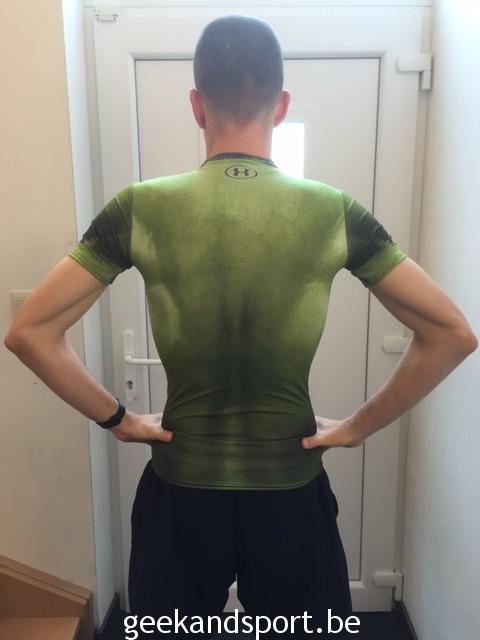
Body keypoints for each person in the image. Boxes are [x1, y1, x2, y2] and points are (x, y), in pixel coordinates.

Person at [4, 13, 477, 640]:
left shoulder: (139, 207)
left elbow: (29, 331)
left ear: (197, 105)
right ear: (280, 105)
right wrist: (358, 427)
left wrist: (119, 420)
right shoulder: (334, 211)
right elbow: (452, 334)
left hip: (180, 492)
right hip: (290, 491)